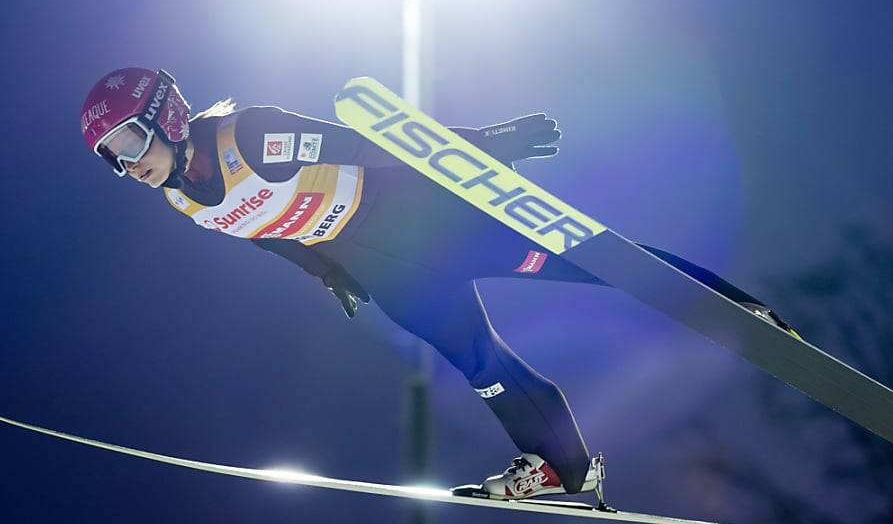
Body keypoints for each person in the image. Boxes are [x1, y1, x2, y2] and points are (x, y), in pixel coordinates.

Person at [80, 67, 796, 501]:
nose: (130, 165)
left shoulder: (247, 135)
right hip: (377, 265)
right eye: (113, 160)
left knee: (591, 263)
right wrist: (326, 270)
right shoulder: (182, 199)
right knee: (482, 368)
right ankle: (564, 471)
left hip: (420, 221)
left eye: (132, 144)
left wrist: (479, 146)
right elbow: (267, 232)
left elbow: (368, 142)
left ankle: (734, 309)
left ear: (167, 116)